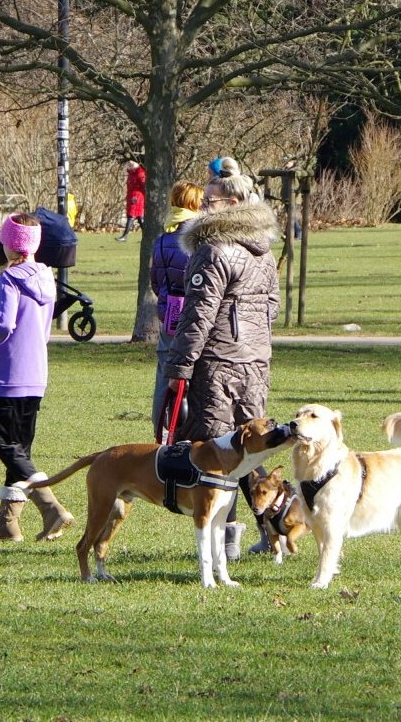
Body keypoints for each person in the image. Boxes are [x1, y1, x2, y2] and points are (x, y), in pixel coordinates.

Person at [164, 166, 280, 560]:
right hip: (256, 363)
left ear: (231, 204)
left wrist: (178, 368)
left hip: (217, 363)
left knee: (218, 452)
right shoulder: (263, 250)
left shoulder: (212, 250)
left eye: (209, 200)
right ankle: (272, 532)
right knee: (254, 449)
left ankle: (224, 540)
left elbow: (198, 317)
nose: (202, 207)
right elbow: (271, 308)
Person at [0, 213, 73, 543]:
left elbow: (2, 325)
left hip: (8, 372)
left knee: (5, 445)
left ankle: (51, 507)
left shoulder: (10, 279)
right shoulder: (46, 275)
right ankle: (7, 522)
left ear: (8, 243)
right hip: (35, 373)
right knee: (20, 449)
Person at [150, 181, 203, 439]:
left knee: (164, 373)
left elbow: (155, 282)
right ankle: (184, 429)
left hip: (169, 314)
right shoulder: (200, 244)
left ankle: (160, 427)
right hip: (194, 317)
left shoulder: (161, 241)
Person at [117, 160, 146, 241]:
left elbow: (143, 186)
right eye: (129, 163)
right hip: (131, 196)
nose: (130, 164)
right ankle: (146, 236)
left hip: (137, 197)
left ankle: (125, 236)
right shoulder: (131, 173)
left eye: (132, 163)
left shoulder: (140, 173)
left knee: (131, 215)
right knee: (139, 217)